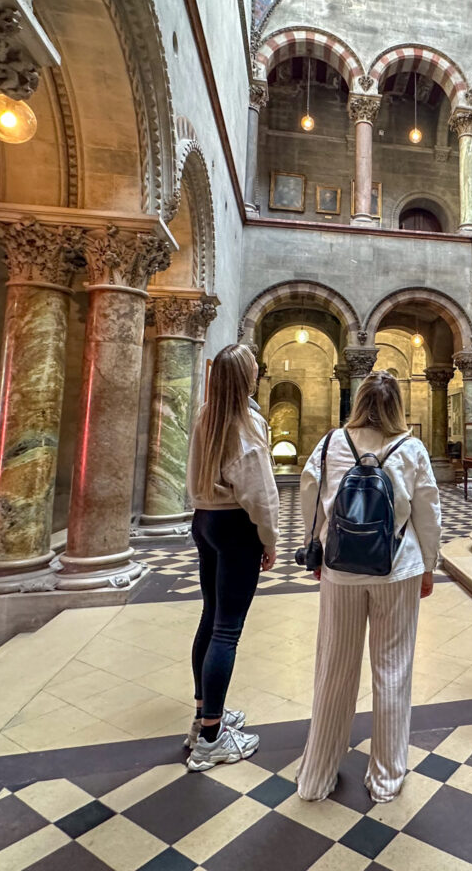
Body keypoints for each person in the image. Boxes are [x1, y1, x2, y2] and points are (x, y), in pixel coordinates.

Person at [297, 370, 442, 803]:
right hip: (397, 570)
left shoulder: (330, 444)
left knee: (333, 670)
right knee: (393, 669)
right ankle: (385, 777)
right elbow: (428, 512)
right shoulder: (411, 448)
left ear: (358, 402)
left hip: (340, 570)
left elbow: (309, 494)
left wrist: (316, 547)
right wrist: (429, 565)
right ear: (397, 406)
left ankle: (316, 776)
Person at [184, 343, 279, 772]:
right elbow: (260, 493)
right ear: (245, 378)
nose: (259, 373)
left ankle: (204, 715)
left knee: (210, 617)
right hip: (236, 526)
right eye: (255, 369)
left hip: (205, 520)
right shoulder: (246, 424)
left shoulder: (208, 414)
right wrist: (270, 538)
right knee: (227, 630)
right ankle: (210, 738)